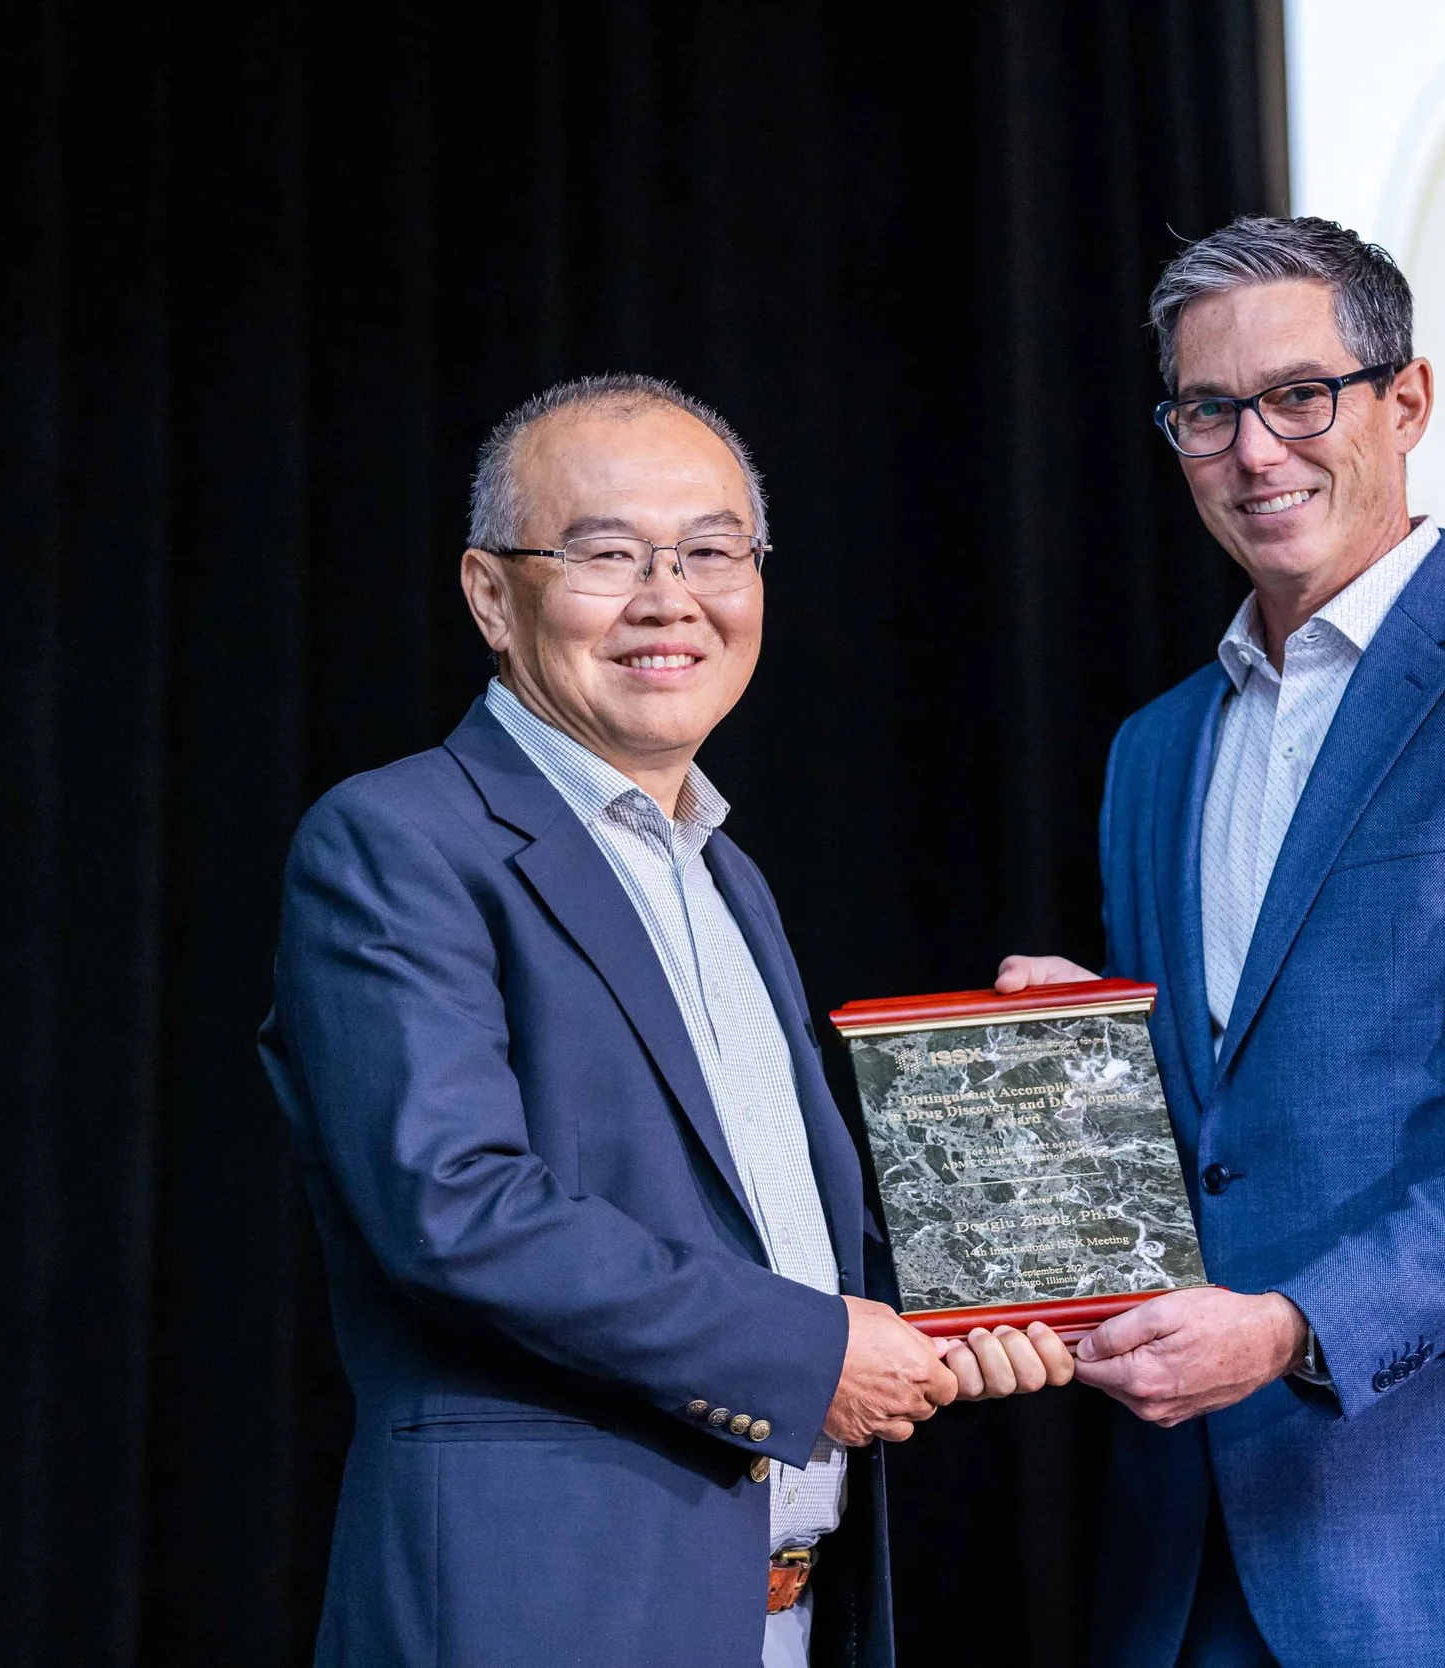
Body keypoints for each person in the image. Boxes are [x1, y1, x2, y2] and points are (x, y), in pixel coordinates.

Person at [260, 374, 1071, 1668]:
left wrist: (1039, 1133)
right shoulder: (398, 841)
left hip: (785, 1610)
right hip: (542, 1615)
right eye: (606, 554)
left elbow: (797, 1252)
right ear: (489, 594)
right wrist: (812, 1357)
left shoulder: (722, 873)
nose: (669, 597)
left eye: (711, 552)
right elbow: (452, 1206)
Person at [999, 218, 1445, 1666]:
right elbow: (1239, 1114)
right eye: (1211, 411)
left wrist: (1288, 1329)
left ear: (1408, 402)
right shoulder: (1157, 749)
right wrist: (1103, 1055)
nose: (1259, 451)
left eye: (1301, 396)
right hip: (1196, 1555)